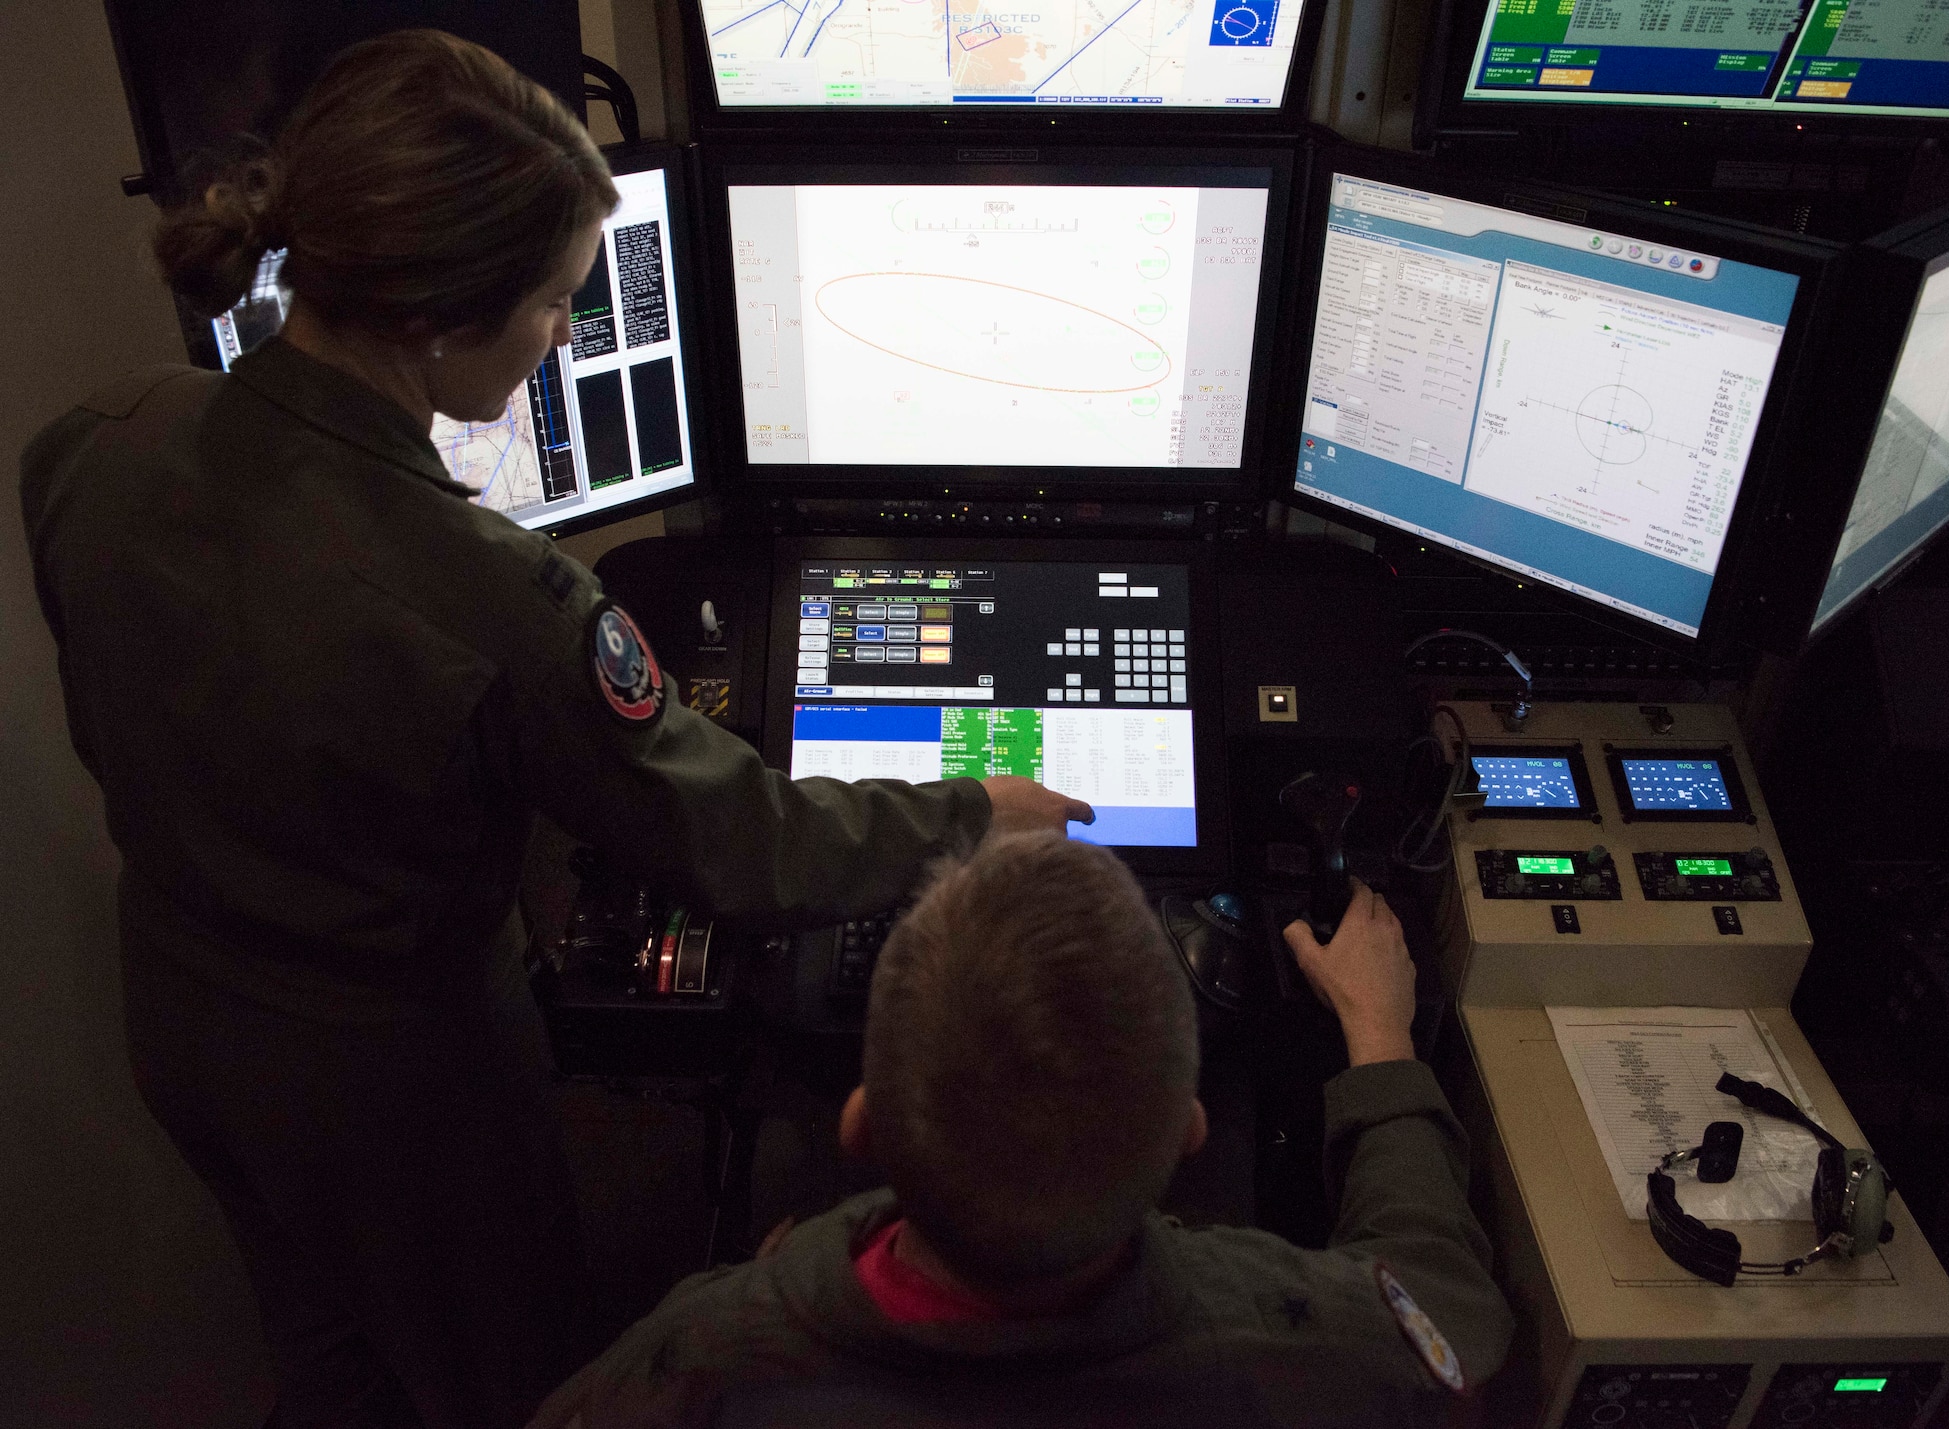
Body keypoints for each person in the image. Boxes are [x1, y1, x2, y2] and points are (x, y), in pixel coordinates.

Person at [19, 31, 1086, 1429]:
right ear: (442, 318)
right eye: (555, 302)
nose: (570, 337)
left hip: (184, 1012)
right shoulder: (497, 600)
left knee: (330, 1352)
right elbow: (739, 840)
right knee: (507, 1378)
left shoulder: (101, 433)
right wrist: (967, 813)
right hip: (400, 1085)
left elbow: (116, 725)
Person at [529, 833, 1514, 1429]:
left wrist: (782, 1269)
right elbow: (1447, 1313)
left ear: (860, 1124)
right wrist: (1381, 1038)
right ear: (1187, 1133)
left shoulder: (698, 1350)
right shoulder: (1311, 1344)